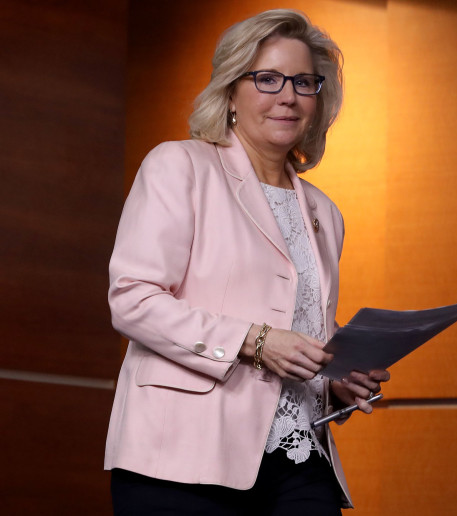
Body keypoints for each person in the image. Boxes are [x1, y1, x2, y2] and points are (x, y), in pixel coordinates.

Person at [105, 9, 389, 515]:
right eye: (268, 78)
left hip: (300, 456)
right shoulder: (180, 166)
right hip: (182, 456)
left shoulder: (326, 211)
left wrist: (335, 380)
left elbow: (299, 326)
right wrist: (254, 342)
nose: (288, 96)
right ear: (231, 91)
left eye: (304, 82)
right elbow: (133, 300)